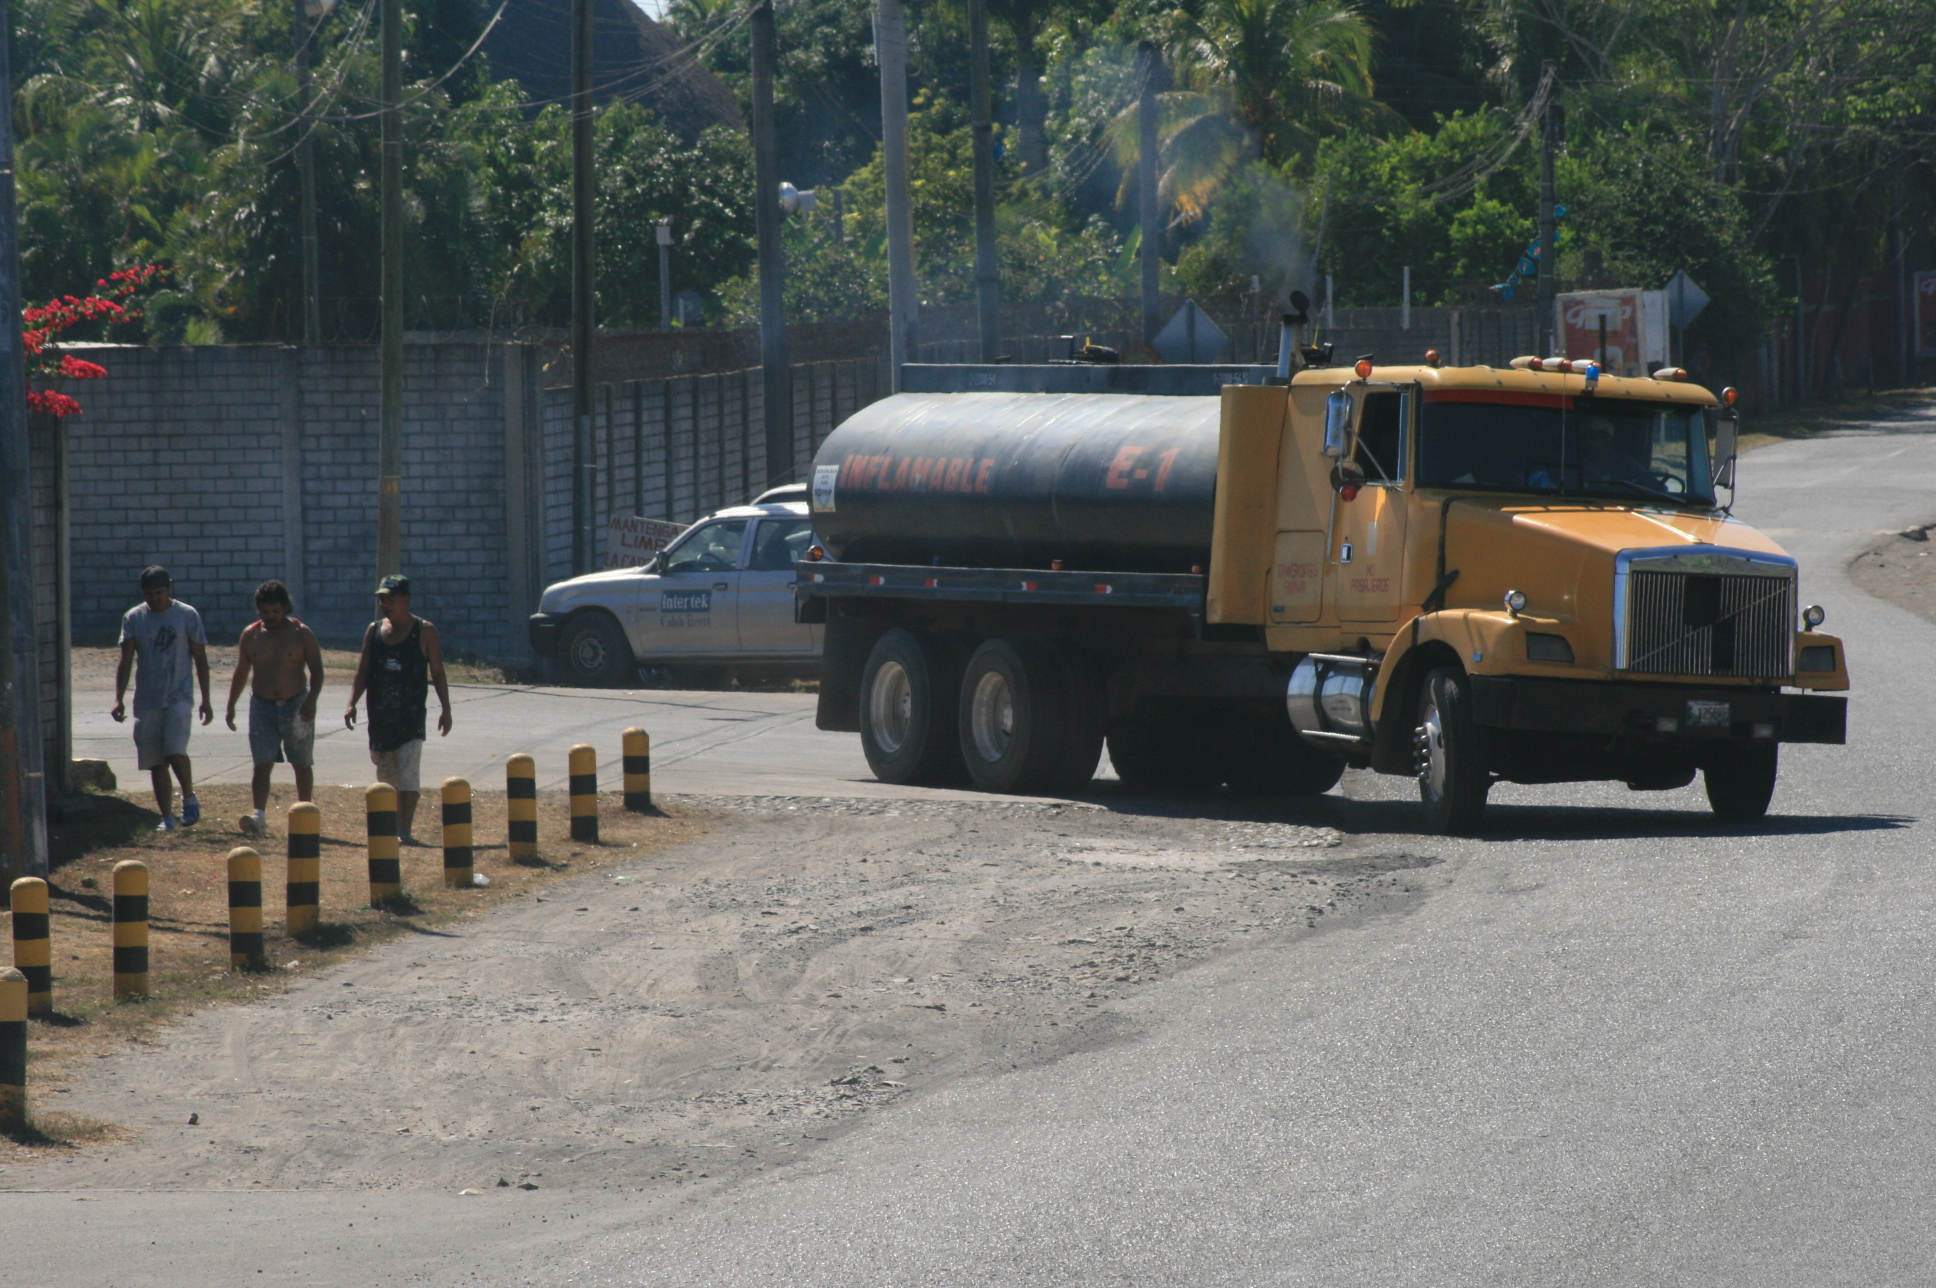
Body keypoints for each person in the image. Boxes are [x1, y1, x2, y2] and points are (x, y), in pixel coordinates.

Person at [344, 575, 452, 844]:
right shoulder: (374, 631)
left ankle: (404, 830)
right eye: (382, 599)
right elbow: (363, 670)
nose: (385, 605)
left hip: (411, 717)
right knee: (386, 775)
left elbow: (437, 673)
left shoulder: (425, 631)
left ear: (406, 600)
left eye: (390, 599)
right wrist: (351, 702)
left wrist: (446, 709)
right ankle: (393, 826)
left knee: (408, 776)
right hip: (380, 717)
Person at [111, 565, 212, 831]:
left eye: (159, 592)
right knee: (156, 761)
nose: (154, 598)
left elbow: (200, 659)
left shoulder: (186, 615)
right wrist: (118, 698)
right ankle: (166, 816)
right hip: (147, 699)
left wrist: (206, 699)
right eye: (149, 594)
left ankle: (189, 797)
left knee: (175, 751)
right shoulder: (134, 618)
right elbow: (126, 660)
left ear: (169, 589)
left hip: (178, 695)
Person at [224, 580, 325, 836]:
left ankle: (305, 812)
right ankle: (258, 815)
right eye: (265, 612)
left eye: (276, 612)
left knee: (301, 762)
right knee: (262, 762)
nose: (270, 617)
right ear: (258, 610)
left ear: (285, 608)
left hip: (296, 704)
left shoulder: (302, 633)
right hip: (262, 705)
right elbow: (242, 672)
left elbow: (317, 670)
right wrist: (231, 705)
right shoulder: (251, 635)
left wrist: (311, 700)